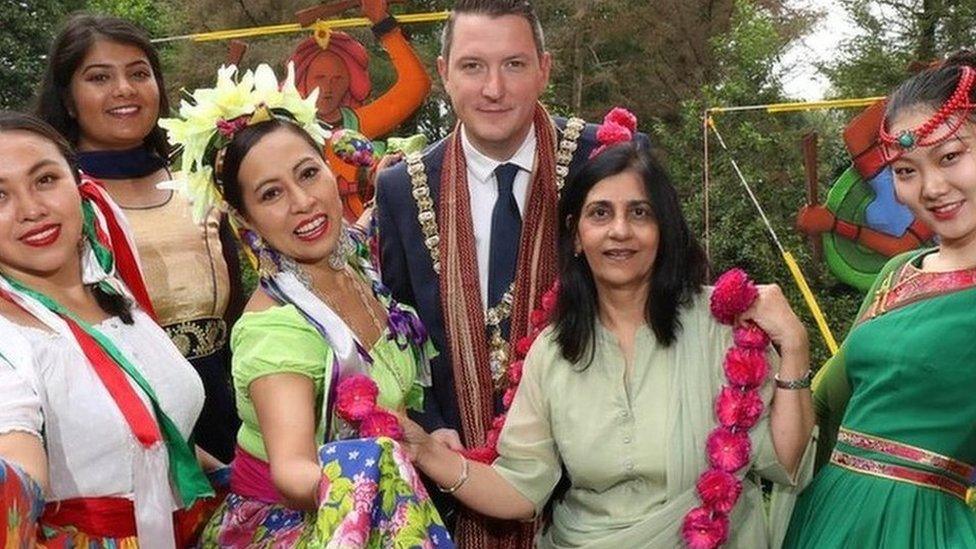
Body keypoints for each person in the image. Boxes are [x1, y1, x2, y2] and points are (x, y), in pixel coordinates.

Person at [398, 141, 815, 548]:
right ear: (577, 235)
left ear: (663, 230)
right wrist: (426, 451)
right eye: (600, 213)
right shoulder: (555, 351)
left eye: (639, 213)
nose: (620, 231)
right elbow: (520, 489)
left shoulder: (718, 325)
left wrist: (794, 346)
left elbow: (784, 459)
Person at [375, 1, 642, 543]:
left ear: (544, 68)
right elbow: (399, 331)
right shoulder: (403, 188)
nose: (494, 88)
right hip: (453, 477)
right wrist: (427, 429)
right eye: (473, 66)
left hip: (594, 486)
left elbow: (656, 300)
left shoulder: (609, 161)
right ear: (445, 71)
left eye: (514, 65)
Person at [161, 63, 451, 547]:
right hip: (306, 527)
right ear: (243, 217)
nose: (303, 202)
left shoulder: (353, 267)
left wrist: (421, 450)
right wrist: (379, 483)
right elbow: (294, 472)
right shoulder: (275, 330)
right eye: (271, 193)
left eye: (308, 174)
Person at [0, 111, 219, 548]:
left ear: (77, 183)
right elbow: (15, 459)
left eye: (45, 180)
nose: (32, 210)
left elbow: (156, 439)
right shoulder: (8, 341)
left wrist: (245, 480)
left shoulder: (113, 291)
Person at [784, 52, 976, 548]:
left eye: (951, 156)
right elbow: (827, 402)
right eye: (906, 170)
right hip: (825, 514)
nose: (932, 188)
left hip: (918, 528)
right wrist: (782, 348)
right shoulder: (897, 271)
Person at [35, 14, 244, 463]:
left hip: (228, 419)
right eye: (99, 77)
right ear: (69, 100)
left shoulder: (200, 184)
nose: (125, 89)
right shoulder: (53, 204)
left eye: (138, 73)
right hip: (125, 432)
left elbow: (237, 311)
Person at [290, 0, 431, 221]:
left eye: (338, 79)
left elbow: (416, 86)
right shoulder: (286, 130)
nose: (328, 88)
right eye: (319, 78)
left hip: (364, 234)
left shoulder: (357, 123)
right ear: (302, 81)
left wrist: (383, 24)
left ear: (350, 83)